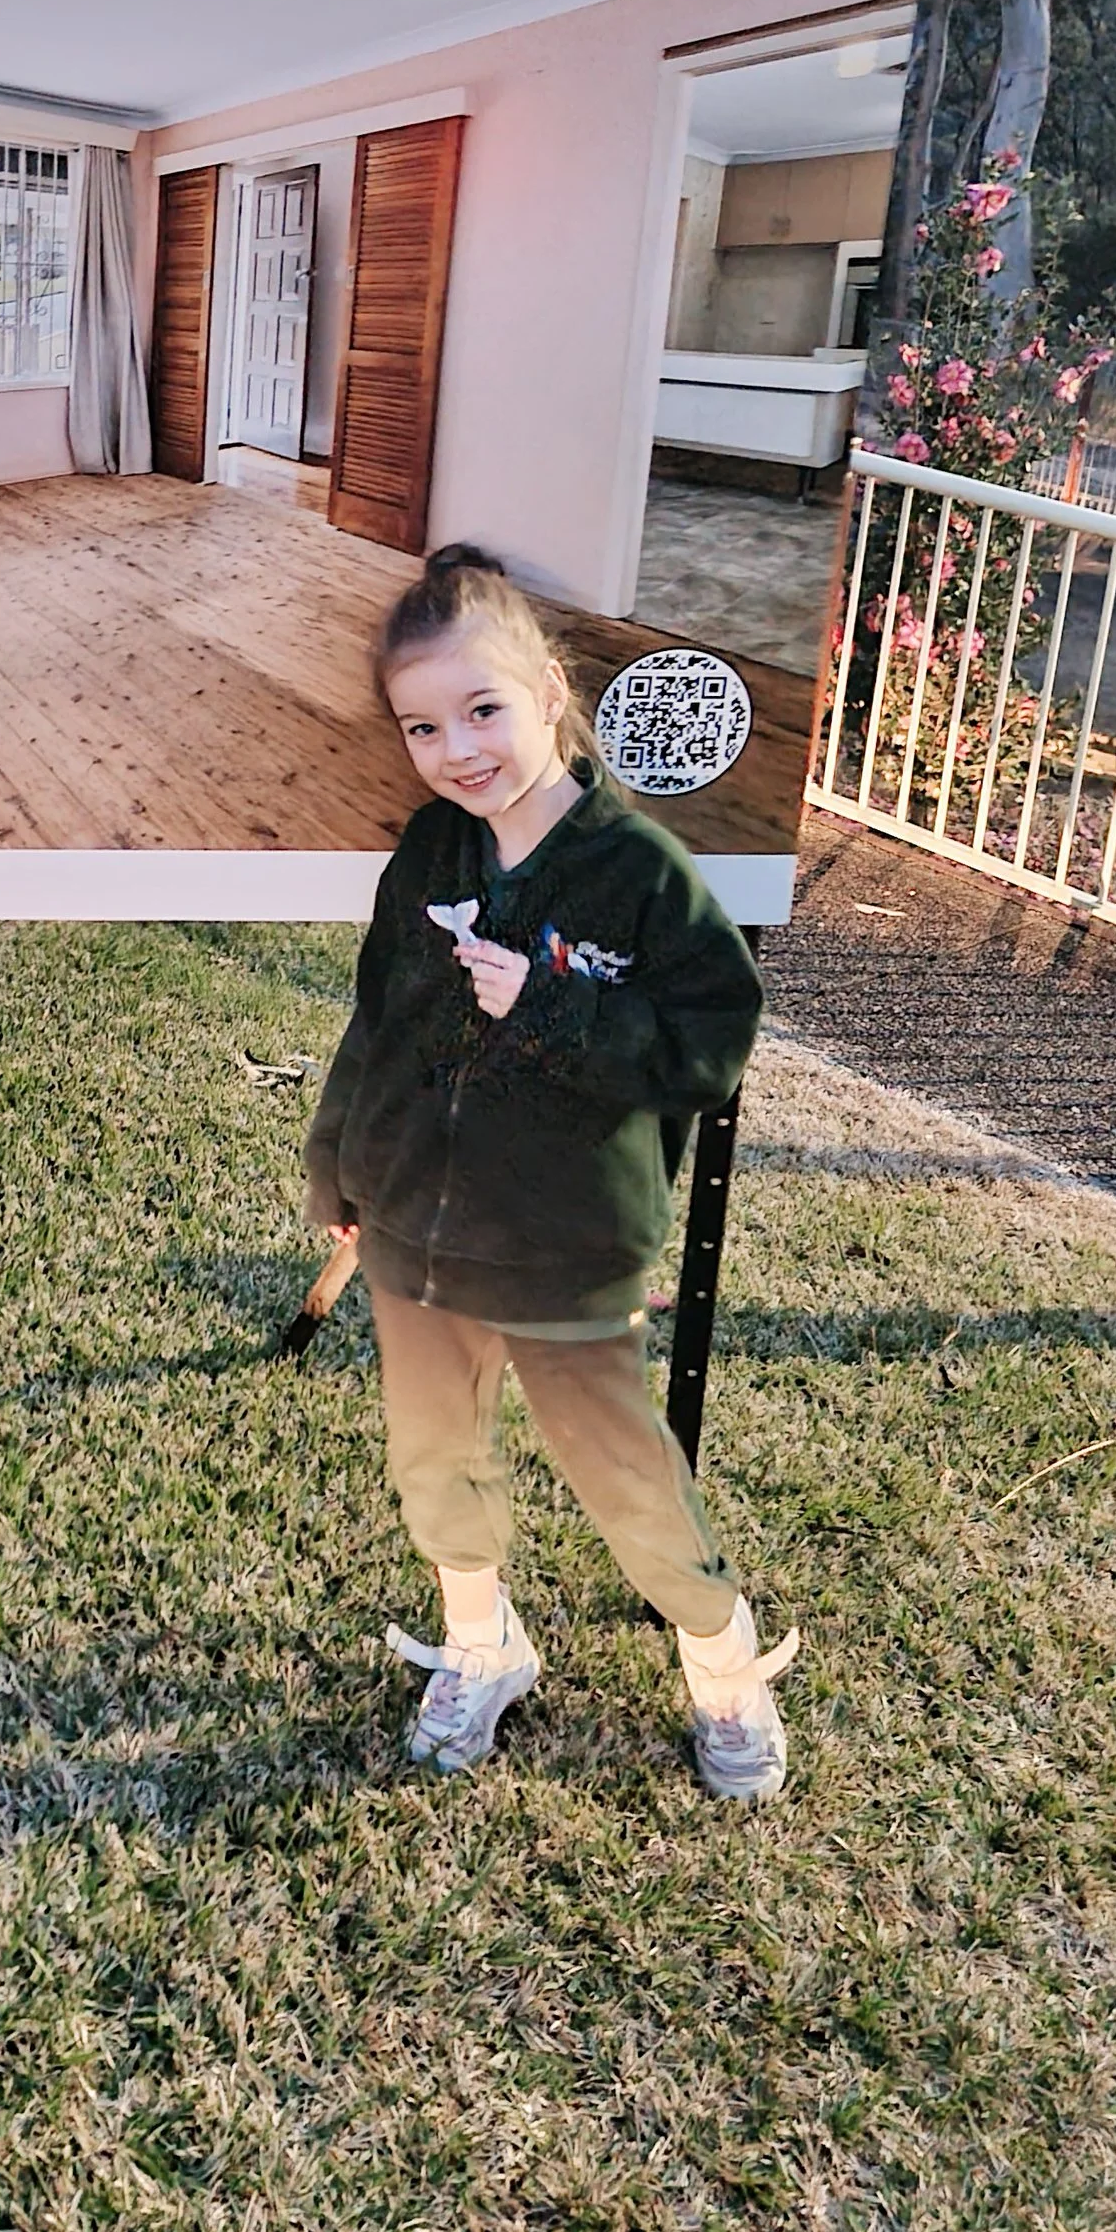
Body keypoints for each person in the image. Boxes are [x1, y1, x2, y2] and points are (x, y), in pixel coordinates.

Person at [305, 543, 797, 1802]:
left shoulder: (635, 872)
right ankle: (482, 1647)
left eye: (482, 710)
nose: (457, 749)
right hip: (417, 1228)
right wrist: (341, 1171)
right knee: (431, 1458)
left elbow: (710, 1045)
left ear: (548, 691)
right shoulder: (427, 853)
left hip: (565, 1245)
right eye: (423, 726)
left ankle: (723, 1665)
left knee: (623, 1475)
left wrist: (556, 1007)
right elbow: (378, 1022)